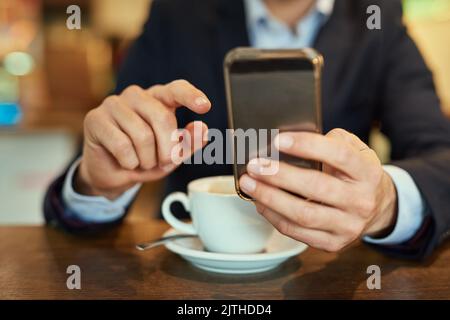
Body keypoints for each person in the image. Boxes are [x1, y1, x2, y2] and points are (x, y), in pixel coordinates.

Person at [44, 0, 450, 260]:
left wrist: (384, 203)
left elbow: (440, 155)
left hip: (324, 276)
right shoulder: (176, 13)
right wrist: (98, 185)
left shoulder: (377, 15)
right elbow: (107, 154)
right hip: (194, 281)